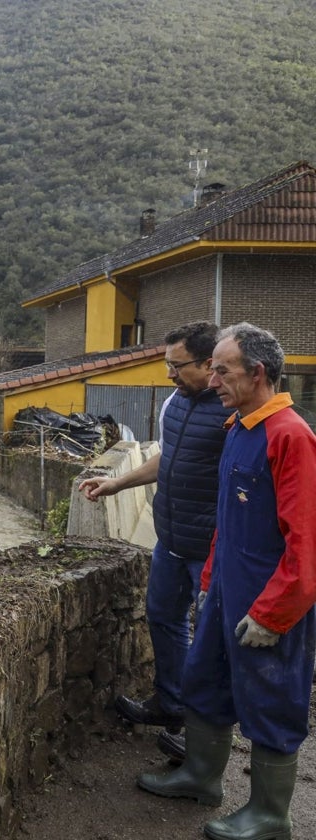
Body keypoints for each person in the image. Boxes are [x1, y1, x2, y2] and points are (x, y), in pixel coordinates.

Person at [137, 322, 316, 840]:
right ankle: (200, 776)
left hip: (267, 601)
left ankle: (269, 816)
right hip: (225, 592)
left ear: (257, 373)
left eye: (222, 369)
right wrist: (211, 582)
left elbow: (307, 546)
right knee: (205, 680)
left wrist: (274, 613)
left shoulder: (292, 437)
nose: (210, 379)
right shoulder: (238, 427)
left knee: (271, 699)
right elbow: (226, 518)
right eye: (211, 368)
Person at [79, 321, 225, 760]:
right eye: (167, 364)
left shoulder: (234, 409)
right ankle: (170, 704)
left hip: (211, 549)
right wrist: (117, 484)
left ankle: (204, 739)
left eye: (176, 366)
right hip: (171, 539)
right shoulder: (176, 404)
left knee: (212, 638)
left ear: (207, 363)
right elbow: (168, 458)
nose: (169, 374)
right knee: (163, 618)